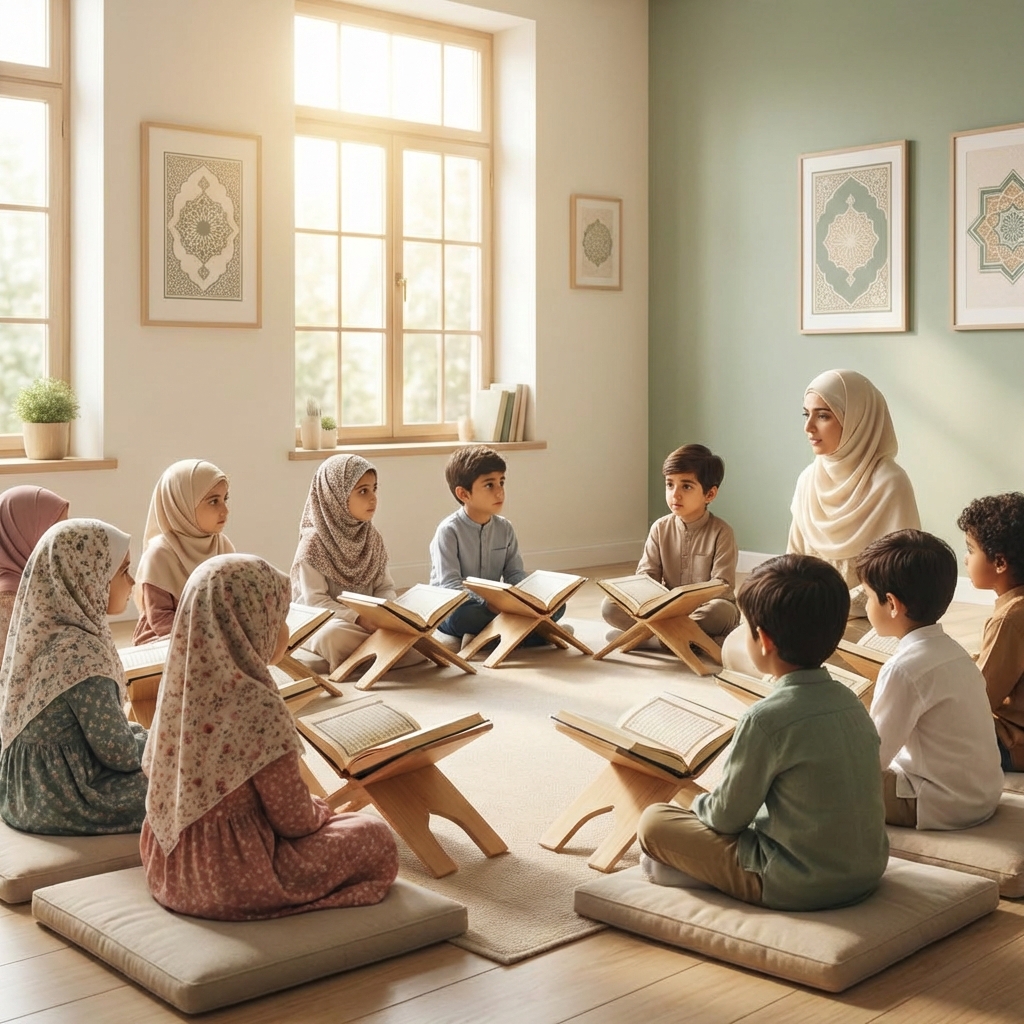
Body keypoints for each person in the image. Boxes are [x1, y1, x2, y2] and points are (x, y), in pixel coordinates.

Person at [140, 553, 398, 920]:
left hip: (169, 868)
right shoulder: (257, 704)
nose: (285, 631)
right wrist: (322, 810)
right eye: (278, 618)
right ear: (247, 624)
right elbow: (294, 819)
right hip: (235, 878)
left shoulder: (177, 688)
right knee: (374, 835)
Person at [637, 554, 888, 911]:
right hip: (867, 870)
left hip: (797, 881)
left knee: (655, 821)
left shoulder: (765, 718)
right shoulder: (850, 699)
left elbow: (725, 817)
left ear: (764, 640)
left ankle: (696, 876)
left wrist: (695, 808)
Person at [723, 368, 920, 673]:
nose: (809, 427)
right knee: (737, 645)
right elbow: (794, 559)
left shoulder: (890, 482)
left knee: (857, 661)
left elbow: (900, 579)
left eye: (823, 416)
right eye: (806, 415)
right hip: (808, 610)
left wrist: (832, 606)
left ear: (857, 420)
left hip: (865, 618)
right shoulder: (808, 480)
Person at [0, 519, 147, 835]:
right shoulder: (81, 652)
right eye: (123, 571)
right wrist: (161, 748)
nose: (132, 581)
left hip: (19, 791)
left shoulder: (43, 630)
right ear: (88, 577)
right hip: (59, 798)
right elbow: (119, 753)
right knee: (182, 786)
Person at [858, 529, 1002, 829]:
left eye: (868, 597)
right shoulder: (955, 652)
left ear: (892, 604)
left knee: (825, 779)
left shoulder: (903, 669)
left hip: (937, 802)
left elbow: (871, 761)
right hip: (982, 795)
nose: (867, 606)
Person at [290, 454, 421, 672]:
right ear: (336, 496)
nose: (373, 498)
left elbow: (385, 587)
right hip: (326, 622)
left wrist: (386, 615)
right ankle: (386, 651)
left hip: (372, 621)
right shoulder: (313, 542)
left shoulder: (371, 536)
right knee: (333, 637)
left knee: (416, 626)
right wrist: (359, 618)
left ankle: (373, 653)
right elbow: (316, 601)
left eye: (374, 489)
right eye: (363, 491)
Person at [429, 445, 565, 647]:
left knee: (557, 606)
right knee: (462, 617)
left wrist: (526, 597)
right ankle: (535, 635)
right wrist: (488, 602)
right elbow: (450, 585)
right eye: (489, 485)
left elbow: (515, 574)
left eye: (501, 482)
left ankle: (486, 639)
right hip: (458, 607)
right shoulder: (449, 531)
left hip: (497, 606)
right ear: (464, 494)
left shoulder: (505, 528)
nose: (500, 491)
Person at [601, 444, 738, 642]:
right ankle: (688, 642)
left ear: (710, 494)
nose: (675, 494)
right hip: (665, 610)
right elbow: (647, 577)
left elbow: (722, 587)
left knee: (718, 612)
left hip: (705, 609)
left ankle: (648, 641)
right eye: (669, 484)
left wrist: (685, 602)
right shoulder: (660, 527)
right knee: (610, 606)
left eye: (686, 486)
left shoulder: (722, 532)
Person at [132, 459, 233, 644]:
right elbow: (161, 620)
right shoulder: (160, 554)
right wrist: (205, 642)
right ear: (181, 504)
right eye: (213, 501)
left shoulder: (222, 545)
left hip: (212, 639)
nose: (224, 510)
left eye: (224, 499)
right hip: (167, 640)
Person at [958, 493, 1024, 771]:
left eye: (971, 550)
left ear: (999, 563)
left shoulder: (1010, 618)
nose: (965, 559)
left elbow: (979, 697)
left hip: (1012, 743)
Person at [0, 486, 69, 662]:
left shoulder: (32, 583)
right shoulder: (9, 600)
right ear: (22, 535)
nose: (63, 542)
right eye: (53, 533)